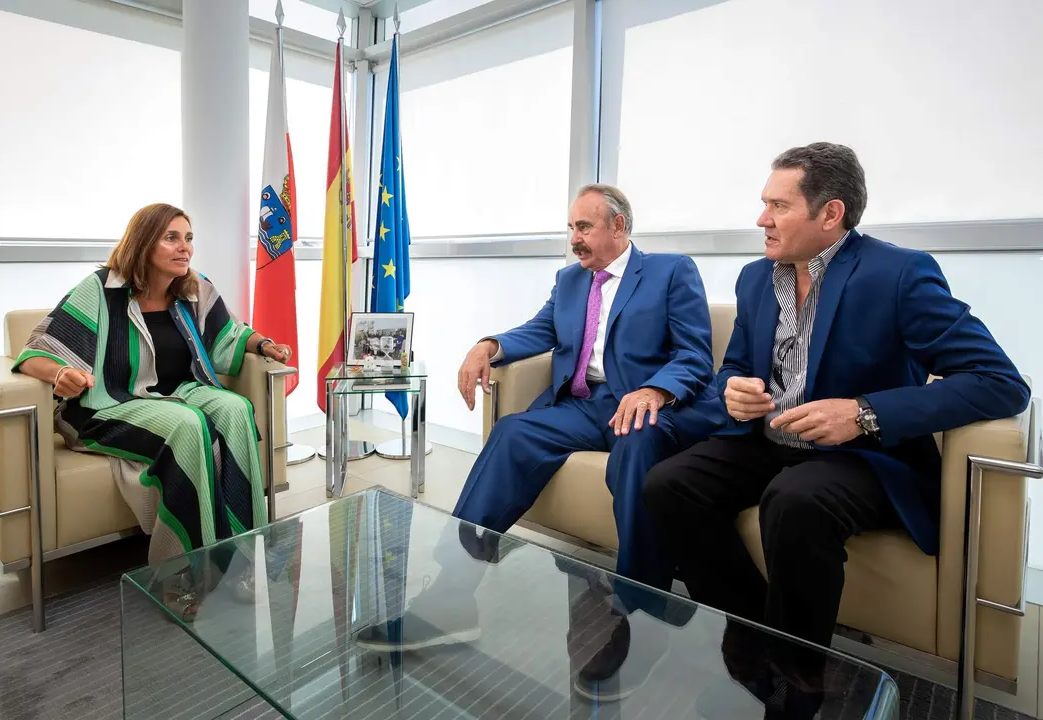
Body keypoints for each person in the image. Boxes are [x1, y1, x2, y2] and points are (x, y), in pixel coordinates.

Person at [643, 143, 1030, 712]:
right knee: (667, 485)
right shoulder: (755, 278)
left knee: (795, 500)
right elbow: (735, 367)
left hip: (863, 458)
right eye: (763, 203)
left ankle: (799, 685)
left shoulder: (898, 274)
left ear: (831, 213)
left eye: (778, 205)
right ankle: (753, 634)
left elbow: (999, 381)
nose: (761, 219)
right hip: (769, 441)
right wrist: (736, 391)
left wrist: (862, 412)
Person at [356, 184, 724, 700]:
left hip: (644, 407)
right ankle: (453, 594)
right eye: (571, 227)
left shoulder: (669, 271)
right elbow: (541, 329)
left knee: (637, 451)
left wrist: (655, 389)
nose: (574, 238)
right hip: (582, 405)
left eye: (585, 227)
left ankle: (641, 617)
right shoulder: (570, 280)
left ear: (619, 227)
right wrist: (489, 345)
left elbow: (695, 354)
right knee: (511, 433)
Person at [13, 203, 293, 621]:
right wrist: (61, 373)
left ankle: (240, 560)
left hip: (178, 391)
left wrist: (262, 345)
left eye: (189, 238)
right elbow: (34, 352)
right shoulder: (100, 290)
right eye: (172, 238)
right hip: (110, 402)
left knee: (235, 408)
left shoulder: (193, 288)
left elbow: (229, 334)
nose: (186, 248)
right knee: (188, 424)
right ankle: (176, 574)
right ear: (143, 243)